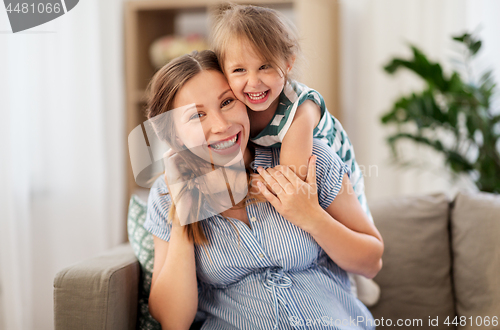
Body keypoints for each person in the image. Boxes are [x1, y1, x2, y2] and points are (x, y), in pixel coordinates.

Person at [143, 50, 383, 330]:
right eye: (197, 115)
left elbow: (371, 262)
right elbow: (174, 322)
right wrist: (184, 214)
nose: (221, 126)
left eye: (227, 102)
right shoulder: (165, 196)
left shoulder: (310, 159)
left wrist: (311, 217)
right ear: (173, 135)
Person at [210, 4, 373, 224]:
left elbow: (291, 180)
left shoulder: (301, 109)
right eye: (239, 70)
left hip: (340, 184)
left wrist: (227, 186)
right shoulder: (236, 106)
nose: (254, 81)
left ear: (288, 63)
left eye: (265, 66)